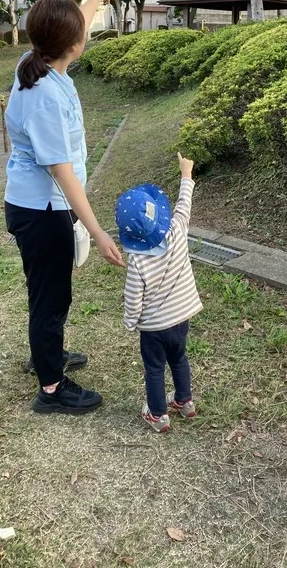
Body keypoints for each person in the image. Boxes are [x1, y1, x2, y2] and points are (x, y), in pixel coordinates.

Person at [5, 0, 125, 416]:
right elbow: (62, 173)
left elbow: (75, 23)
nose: (86, 32)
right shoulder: (45, 96)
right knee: (52, 298)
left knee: (47, 294)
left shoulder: (36, 60)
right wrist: (98, 231)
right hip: (43, 210)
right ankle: (51, 388)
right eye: (83, 28)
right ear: (74, 45)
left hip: (36, 206)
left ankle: (46, 356)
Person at [116, 153, 202, 432]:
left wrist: (131, 323)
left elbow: (133, 298)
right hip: (182, 317)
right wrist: (186, 174)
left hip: (153, 328)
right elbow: (184, 205)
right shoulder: (177, 229)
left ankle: (158, 415)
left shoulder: (137, 261)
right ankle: (185, 401)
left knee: (154, 368)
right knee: (179, 357)